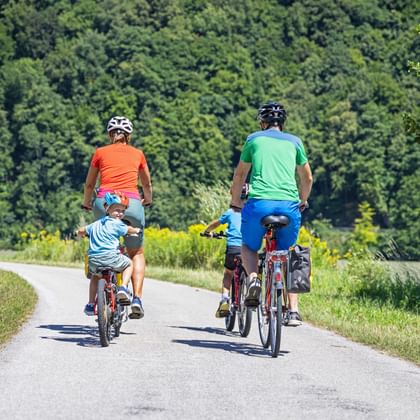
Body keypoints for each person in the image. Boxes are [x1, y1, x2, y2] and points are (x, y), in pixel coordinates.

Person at [230, 102, 313, 326]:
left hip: (259, 205)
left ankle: (255, 278)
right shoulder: (295, 142)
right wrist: (302, 201)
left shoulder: (253, 139)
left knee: (248, 246)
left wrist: (236, 201)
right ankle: (294, 311)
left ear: (262, 123)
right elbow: (307, 178)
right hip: (288, 206)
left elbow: (240, 176)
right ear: (282, 124)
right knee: (289, 254)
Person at [81, 116, 152, 319]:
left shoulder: (100, 152)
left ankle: (98, 286)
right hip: (132, 205)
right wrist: (147, 200)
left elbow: (89, 185)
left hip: (104, 203)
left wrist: (87, 203)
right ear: (128, 135)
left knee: (101, 244)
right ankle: (136, 298)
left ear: (109, 134)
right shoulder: (138, 153)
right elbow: (146, 184)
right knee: (136, 252)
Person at [77, 192, 142, 316]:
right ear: (107, 209)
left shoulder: (94, 224)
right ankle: (123, 287)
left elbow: (82, 230)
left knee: (95, 277)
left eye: (123, 211)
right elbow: (128, 230)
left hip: (94, 260)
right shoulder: (117, 223)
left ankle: (91, 304)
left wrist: (78, 233)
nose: (120, 213)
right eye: (117, 210)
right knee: (129, 264)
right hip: (111, 258)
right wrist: (136, 230)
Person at [203, 184, 249, 318]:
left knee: (228, 273)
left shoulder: (230, 213)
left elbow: (216, 223)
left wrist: (207, 231)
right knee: (248, 270)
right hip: (247, 249)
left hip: (233, 248)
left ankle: (224, 299)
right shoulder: (251, 212)